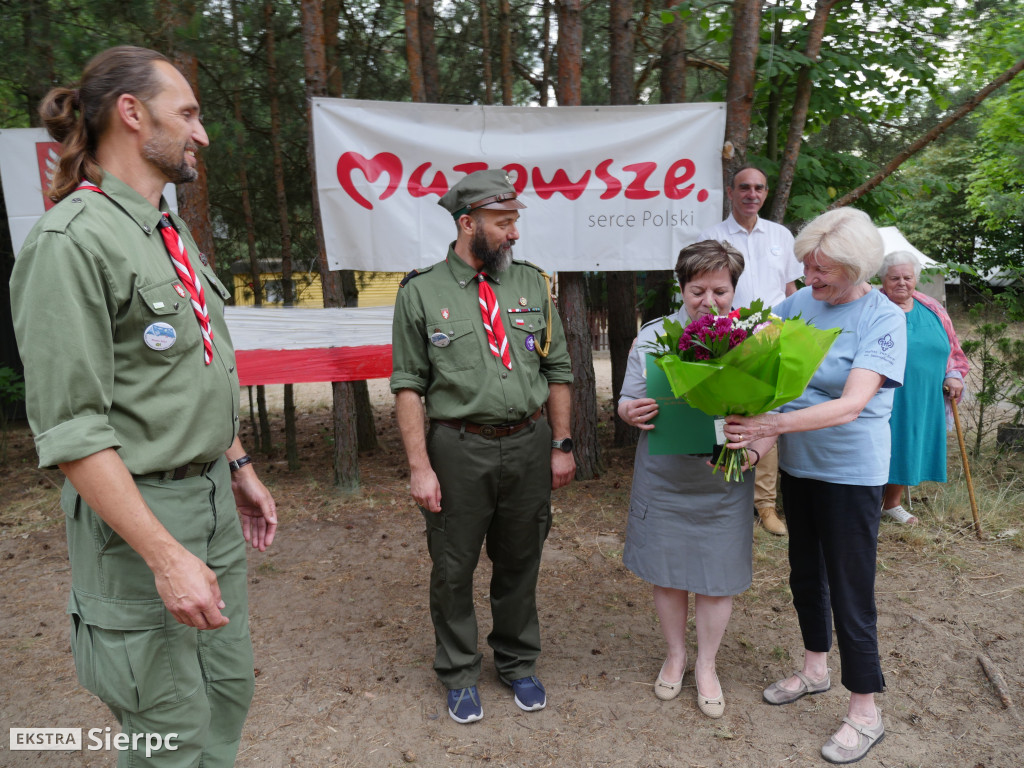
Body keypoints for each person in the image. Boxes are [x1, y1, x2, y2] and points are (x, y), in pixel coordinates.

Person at [10, 47, 278, 767]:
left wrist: (238, 463)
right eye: (188, 113)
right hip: (140, 523)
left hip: (212, 502)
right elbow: (72, 431)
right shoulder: (72, 242)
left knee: (224, 698)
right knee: (170, 732)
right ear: (132, 113)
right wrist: (163, 556)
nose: (203, 134)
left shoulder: (166, 229)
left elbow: (184, 370)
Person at [390, 169, 575, 724]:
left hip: (527, 443)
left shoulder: (533, 285)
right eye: (502, 223)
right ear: (468, 224)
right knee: (453, 564)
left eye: (515, 221)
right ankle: (458, 671)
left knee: (521, 557)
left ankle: (517, 662)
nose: (514, 233)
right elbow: (407, 386)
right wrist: (420, 467)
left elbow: (559, 368)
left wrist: (562, 443)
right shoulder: (421, 292)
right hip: (457, 448)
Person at [723, 208, 906, 764]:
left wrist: (771, 426)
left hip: (852, 474)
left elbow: (852, 404)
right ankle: (813, 670)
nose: (809, 277)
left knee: (852, 589)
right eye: (806, 265)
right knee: (806, 573)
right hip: (801, 468)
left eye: (821, 269)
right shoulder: (799, 304)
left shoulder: (882, 317)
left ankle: (865, 710)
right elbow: (755, 362)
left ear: (854, 267)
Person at [618, 240, 770, 719]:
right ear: (681, 288)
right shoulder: (654, 336)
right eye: (698, 290)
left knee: (717, 574)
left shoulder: (755, 338)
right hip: (665, 475)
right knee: (668, 571)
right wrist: (631, 411)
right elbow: (627, 399)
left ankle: (706, 664)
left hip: (723, 477)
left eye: (720, 291)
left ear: (734, 290)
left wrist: (754, 452)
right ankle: (675, 656)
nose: (709, 302)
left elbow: (772, 413)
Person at [697, 165, 803, 536]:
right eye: (744, 187)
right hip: (727, 338)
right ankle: (725, 495)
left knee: (768, 417)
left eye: (759, 187)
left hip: (773, 338)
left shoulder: (781, 235)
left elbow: (791, 289)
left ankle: (766, 505)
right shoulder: (712, 237)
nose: (751, 194)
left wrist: (795, 333)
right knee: (725, 418)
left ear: (766, 192)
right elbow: (704, 287)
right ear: (731, 192)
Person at [878, 251, 969, 524]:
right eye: (895, 278)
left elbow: (953, 350)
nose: (902, 282)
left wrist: (953, 375)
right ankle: (867, 503)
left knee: (910, 443)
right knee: (882, 444)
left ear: (916, 278)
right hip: (883, 392)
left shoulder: (932, 307)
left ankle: (891, 504)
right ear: (882, 279)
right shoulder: (872, 305)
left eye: (908, 277)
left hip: (925, 394)